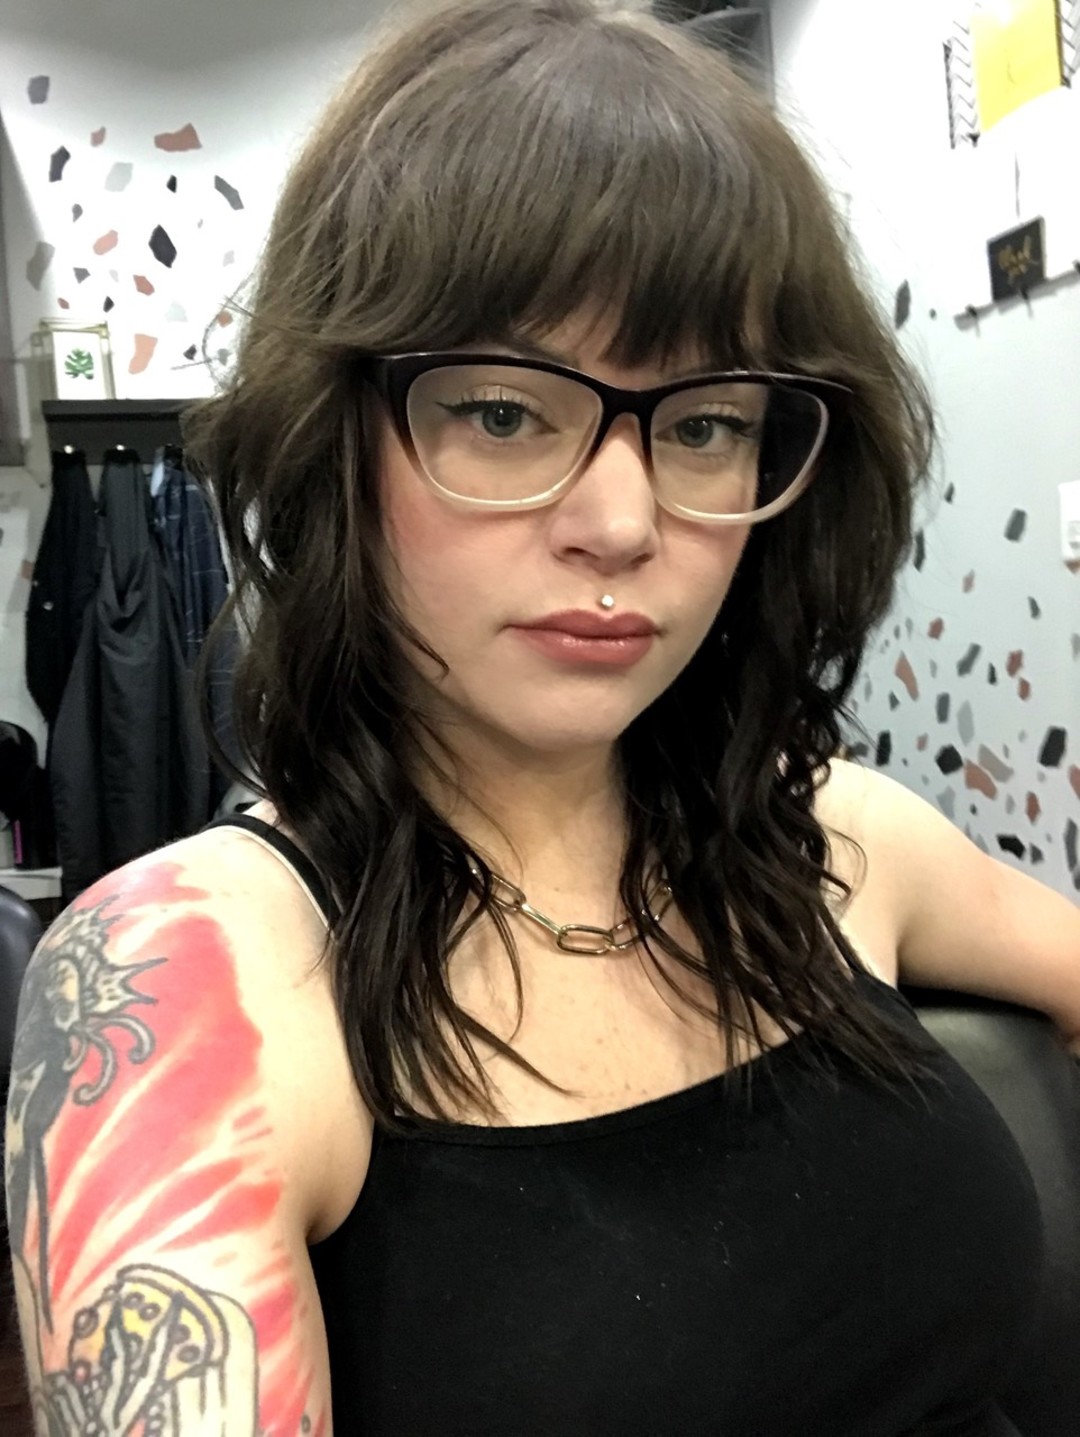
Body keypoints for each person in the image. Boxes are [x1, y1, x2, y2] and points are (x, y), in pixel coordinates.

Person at [7, 1, 1080, 1432]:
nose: (623, 522)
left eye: (706, 424)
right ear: (337, 444)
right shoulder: (191, 983)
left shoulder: (833, 834)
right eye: (505, 414)